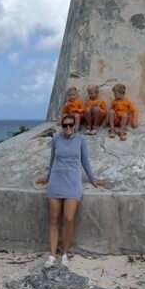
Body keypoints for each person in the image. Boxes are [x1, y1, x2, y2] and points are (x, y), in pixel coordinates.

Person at [35, 114, 107, 267]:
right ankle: (52, 255)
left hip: (72, 181)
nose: (67, 127)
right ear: (61, 126)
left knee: (68, 218)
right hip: (56, 180)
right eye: (65, 125)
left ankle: (64, 253)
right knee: (54, 218)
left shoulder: (80, 140)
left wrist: (93, 179)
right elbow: (52, 160)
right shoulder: (56, 139)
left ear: (74, 126)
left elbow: (84, 160)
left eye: (70, 125)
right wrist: (48, 177)